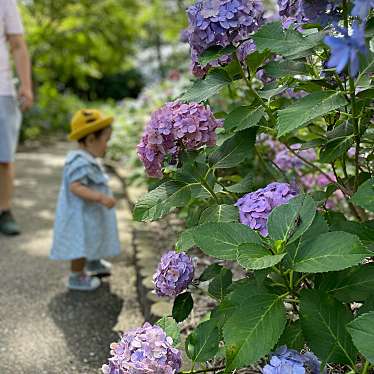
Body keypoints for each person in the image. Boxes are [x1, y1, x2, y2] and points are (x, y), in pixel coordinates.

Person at [50, 109, 121, 291]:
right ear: (90, 140)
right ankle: (76, 276)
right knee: (80, 242)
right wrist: (100, 197)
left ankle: (93, 263)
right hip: (79, 215)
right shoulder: (79, 161)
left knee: (93, 236)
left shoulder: (88, 157)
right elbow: (75, 186)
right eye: (106, 140)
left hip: (89, 213)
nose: (107, 145)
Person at [0, 0, 33, 235]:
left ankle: (4, 210)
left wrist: (26, 86)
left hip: (1, 89)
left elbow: (18, 44)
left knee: (4, 157)